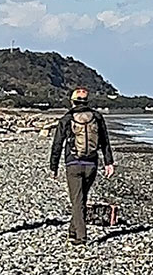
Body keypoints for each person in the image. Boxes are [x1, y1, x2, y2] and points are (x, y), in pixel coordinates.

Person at [49, 85, 114, 247]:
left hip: (73, 164)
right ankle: (72, 230)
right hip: (91, 163)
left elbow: (57, 144)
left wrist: (53, 166)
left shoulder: (66, 118)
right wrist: (109, 162)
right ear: (87, 101)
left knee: (77, 201)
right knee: (81, 199)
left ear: (72, 101)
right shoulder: (97, 117)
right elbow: (105, 141)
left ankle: (81, 236)